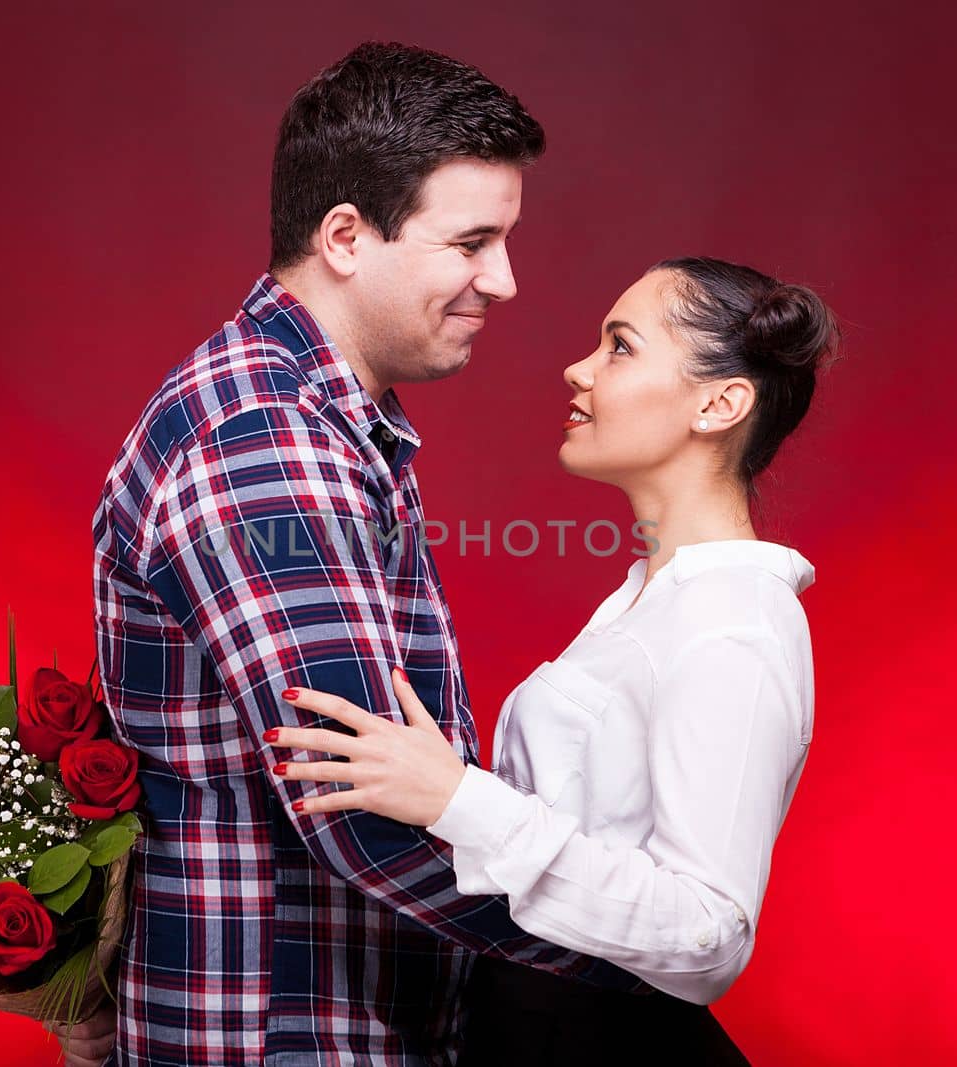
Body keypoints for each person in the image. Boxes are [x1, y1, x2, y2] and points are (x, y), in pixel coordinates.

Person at [69, 41, 645, 1067]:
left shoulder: (328, 420)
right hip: (285, 1037)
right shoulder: (264, 435)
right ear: (344, 235)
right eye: (470, 241)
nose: (502, 281)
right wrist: (637, 945)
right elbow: (364, 805)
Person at [267, 256, 839, 1064]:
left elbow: (708, 932)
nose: (578, 368)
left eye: (621, 347)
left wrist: (457, 797)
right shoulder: (656, 598)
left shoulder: (734, 621)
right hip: (532, 1023)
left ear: (719, 403)